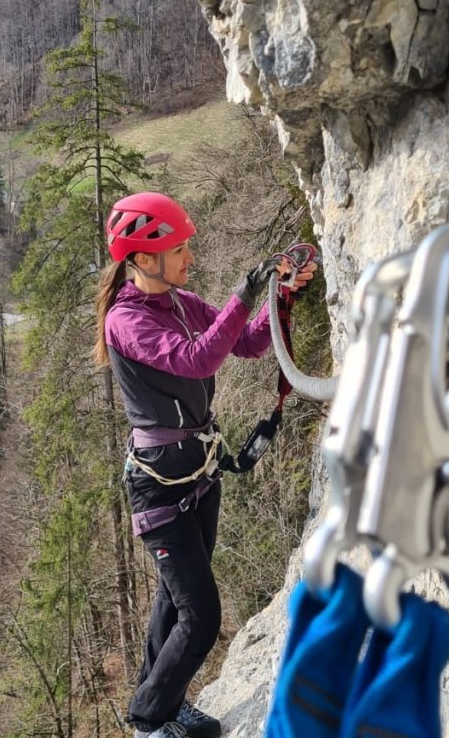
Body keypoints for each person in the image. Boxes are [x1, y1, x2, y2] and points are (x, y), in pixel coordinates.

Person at [93, 192, 317, 738]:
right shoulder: (126, 320)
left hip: (197, 475)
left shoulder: (181, 302)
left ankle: (164, 703)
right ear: (144, 258)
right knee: (201, 616)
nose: (189, 258)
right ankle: (149, 720)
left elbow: (247, 343)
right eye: (179, 249)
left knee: (174, 598)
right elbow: (196, 359)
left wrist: (277, 293)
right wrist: (242, 293)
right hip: (158, 486)